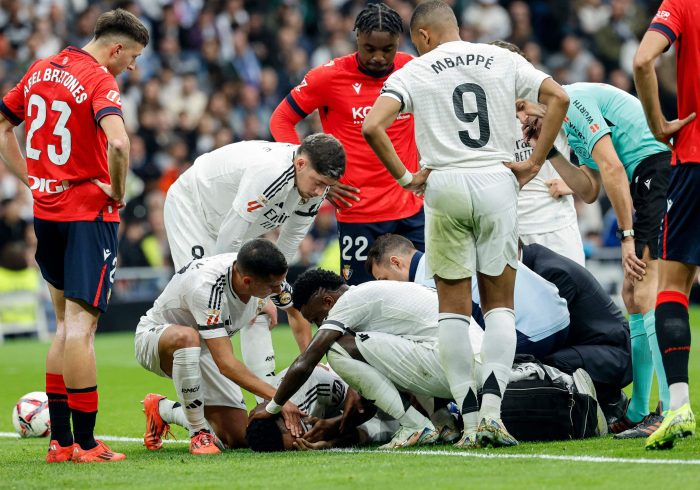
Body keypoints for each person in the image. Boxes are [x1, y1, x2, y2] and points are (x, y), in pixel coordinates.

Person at [361, 0, 569, 448]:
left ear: (423, 37)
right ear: (456, 27)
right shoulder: (502, 57)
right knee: (500, 307)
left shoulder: (414, 71)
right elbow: (560, 97)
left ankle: (470, 419)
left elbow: (374, 127)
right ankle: (495, 413)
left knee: (451, 309)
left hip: (445, 183)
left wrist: (406, 178)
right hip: (497, 179)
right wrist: (533, 162)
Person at [0, 8, 149, 463]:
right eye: (133, 57)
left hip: (46, 215)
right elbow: (119, 143)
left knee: (63, 326)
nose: (133, 68)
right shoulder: (100, 80)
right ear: (117, 47)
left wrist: (28, 179)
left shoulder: (41, 68)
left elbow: (5, 124)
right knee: (82, 330)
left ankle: (59, 442)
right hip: (88, 216)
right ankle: (86, 443)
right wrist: (118, 190)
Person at [514, 81, 673, 437]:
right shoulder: (565, 122)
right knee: (633, 296)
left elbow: (613, 167)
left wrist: (627, 236)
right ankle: (637, 409)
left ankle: (669, 410)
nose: (519, 120)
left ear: (529, 99)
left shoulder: (574, 101)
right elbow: (589, 189)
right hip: (647, 178)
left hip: (659, 170)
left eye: (518, 109)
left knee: (646, 293)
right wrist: (550, 150)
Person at [365, 233, 631, 423]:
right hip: (559, 328)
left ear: (397, 262)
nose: (386, 288)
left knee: (468, 358)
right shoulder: (448, 253)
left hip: (560, 341)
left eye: (384, 280)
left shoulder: (429, 279)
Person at [163, 134, 345, 382]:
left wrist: (269, 290)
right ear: (300, 164)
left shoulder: (313, 187)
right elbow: (229, 239)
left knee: (257, 302)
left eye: (326, 186)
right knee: (204, 303)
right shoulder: (269, 173)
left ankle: (266, 401)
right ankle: (188, 408)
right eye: (318, 183)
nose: (319, 192)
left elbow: (288, 243)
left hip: (236, 222)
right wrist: (261, 290)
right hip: (194, 211)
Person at [269, 3, 424, 285]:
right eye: (369, 48)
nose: (378, 57)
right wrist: (314, 177)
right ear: (357, 40)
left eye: (387, 49)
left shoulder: (413, 69)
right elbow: (281, 120)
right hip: (357, 211)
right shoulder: (328, 77)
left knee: (425, 296)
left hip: (412, 210)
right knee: (362, 300)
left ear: (398, 42)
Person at [136, 239, 304, 454]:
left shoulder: (262, 276)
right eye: (272, 287)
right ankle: (198, 434)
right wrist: (279, 398)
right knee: (187, 337)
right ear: (246, 281)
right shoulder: (206, 287)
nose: (278, 290)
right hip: (156, 340)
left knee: (239, 436)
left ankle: (163, 409)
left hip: (205, 348)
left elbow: (297, 313)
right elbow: (226, 363)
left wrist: (311, 362)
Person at [632, 0, 698, 449]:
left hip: (694, 156)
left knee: (672, 285)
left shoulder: (683, 4)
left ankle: (678, 406)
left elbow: (641, 59)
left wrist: (657, 122)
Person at [490, 41, 584, 266]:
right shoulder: (486, 118)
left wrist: (574, 184)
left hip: (557, 225)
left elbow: (603, 150)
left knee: (572, 299)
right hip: (510, 231)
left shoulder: (557, 105)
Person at [246, 366, 398, 452]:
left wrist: (334, 426)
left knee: (393, 426)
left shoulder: (316, 382)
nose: (299, 441)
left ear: (286, 420)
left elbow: (365, 407)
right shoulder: (270, 422)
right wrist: (329, 443)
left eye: (296, 434)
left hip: (372, 383)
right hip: (341, 412)